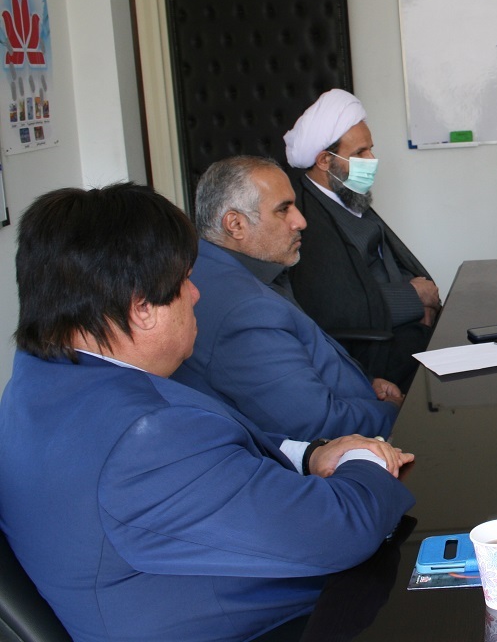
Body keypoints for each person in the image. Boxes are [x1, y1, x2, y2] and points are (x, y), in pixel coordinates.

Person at [0, 183, 415, 642]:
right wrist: (365, 457)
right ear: (141, 307)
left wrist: (310, 454)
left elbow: (212, 459)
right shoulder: (145, 439)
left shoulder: (38, 382)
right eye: (184, 282)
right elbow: (343, 529)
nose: (196, 295)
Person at [174, 156, 401, 440]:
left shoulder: (206, 266)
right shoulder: (246, 310)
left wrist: (367, 384)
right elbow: (318, 424)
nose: (300, 221)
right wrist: (395, 410)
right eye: (283, 209)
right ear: (235, 224)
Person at [285, 89, 438, 394]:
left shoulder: (347, 195)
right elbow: (331, 305)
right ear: (325, 160)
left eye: (371, 149)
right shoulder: (306, 219)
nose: (372, 160)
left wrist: (423, 300)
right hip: (371, 353)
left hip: (404, 328)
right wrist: (414, 297)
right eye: (360, 153)